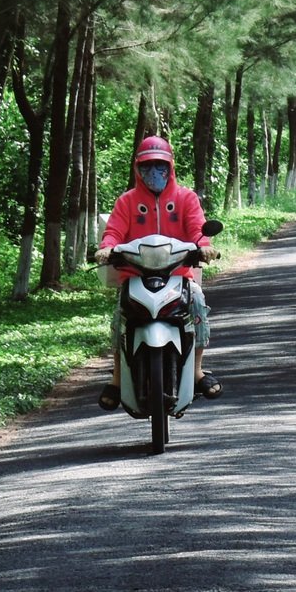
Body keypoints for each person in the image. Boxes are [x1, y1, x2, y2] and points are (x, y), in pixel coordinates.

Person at [96, 134, 222, 406]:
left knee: (198, 303)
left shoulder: (185, 198)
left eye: (160, 166)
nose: (154, 172)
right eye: (147, 166)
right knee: (121, 315)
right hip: (135, 275)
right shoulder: (127, 201)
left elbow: (197, 230)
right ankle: (118, 377)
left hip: (178, 275)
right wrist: (107, 247)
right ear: (138, 169)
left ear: (170, 167)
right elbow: (114, 231)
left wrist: (204, 247)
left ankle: (198, 370)